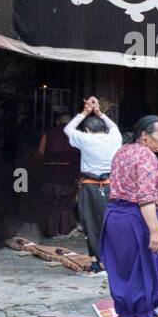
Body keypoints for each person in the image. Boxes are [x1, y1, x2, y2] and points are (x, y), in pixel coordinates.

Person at [101, 116, 158, 317]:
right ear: (145, 136)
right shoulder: (147, 158)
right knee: (144, 269)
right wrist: (155, 231)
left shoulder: (122, 151)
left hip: (114, 217)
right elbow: (145, 198)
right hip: (138, 217)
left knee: (122, 268)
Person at [64, 97, 122, 270]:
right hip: (111, 185)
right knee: (110, 222)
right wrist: (100, 113)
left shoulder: (86, 139)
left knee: (91, 224)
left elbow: (67, 128)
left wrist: (85, 111)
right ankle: (111, 260)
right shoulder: (114, 138)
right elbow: (114, 127)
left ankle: (97, 262)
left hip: (90, 187)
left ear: (87, 130)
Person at [33, 110, 79, 238]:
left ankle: (51, 232)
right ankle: (64, 231)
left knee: (51, 204)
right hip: (69, 174)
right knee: (66, 204)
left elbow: (40, 152)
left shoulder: (49, 133)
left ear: (57, 122)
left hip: (49, 173)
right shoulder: (76, 135)